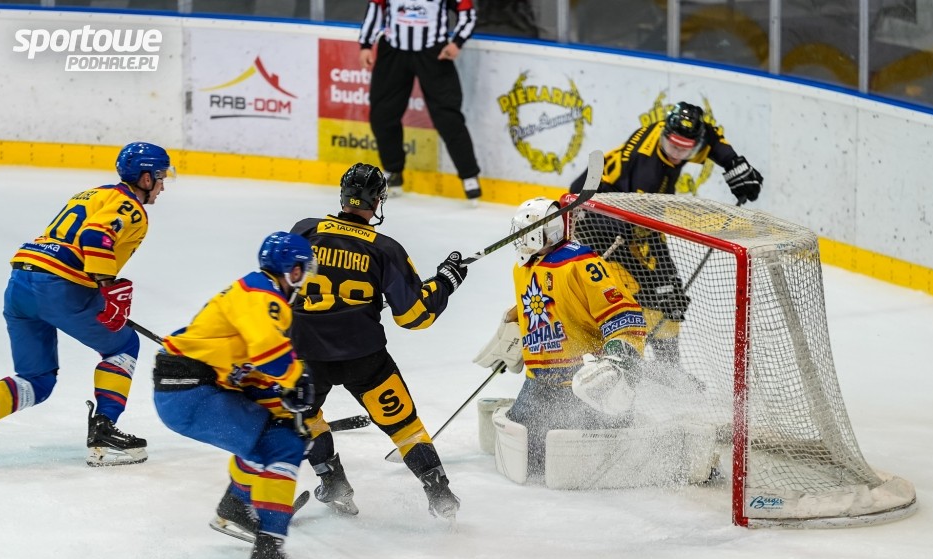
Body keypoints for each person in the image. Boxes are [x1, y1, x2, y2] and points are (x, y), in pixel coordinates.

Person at [289, 162, 466, 521]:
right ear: (378, 201)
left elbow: (281, 287)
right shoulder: (385, 248)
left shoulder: (304, 230)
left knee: (305, 417)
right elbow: (414, 315)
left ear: (343, 195)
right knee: (405, 426)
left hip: (306, 355)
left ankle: (332, 481)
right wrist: (445, 283)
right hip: (365, 359)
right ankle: (440, 493)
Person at [152, 231, 319, 559]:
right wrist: (296, 377)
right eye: (303, 271)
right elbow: (267, 350)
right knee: (282, 446)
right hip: (191, 393)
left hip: (190, 390)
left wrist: (283, 408)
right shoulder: (265, 295)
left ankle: (236, 506)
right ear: (291, 270)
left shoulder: (255, 292)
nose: (304, 279)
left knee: (274, 435)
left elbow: (252, 374)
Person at [0, 142, 172, 466]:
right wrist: (108, 288)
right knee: (123, 346)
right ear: (146, 178)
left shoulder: (93, 194)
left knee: (36, 380)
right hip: (58, 287)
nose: (162, 186)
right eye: (160, 178)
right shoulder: (131, 207)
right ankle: (104, 428)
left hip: (20, 284)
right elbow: (95, 237)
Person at [569, 102, 763, 365]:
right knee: (636, 292)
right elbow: (636, 232)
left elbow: (710, 135)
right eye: (673, 147)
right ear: (664, 136)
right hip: (595, 217)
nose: (677, 155)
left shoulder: (672, 134)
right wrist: (657, 284)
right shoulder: (646, 172)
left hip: (630, 216)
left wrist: (734, 164)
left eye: (685, 149)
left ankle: (669, 368)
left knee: (671, 296)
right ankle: (616, 363)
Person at [473, 197, 648, 476]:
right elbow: (541, 304)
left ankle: (623, 426)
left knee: (582, 463)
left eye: (523, 231)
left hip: (582, 384)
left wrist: (619, 354)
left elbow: (622, 313)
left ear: (538, 233)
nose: (518, 238)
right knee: (531, 459)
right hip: (539, 381)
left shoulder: (582, 263)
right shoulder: (522, 268)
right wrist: (515, 329)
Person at [358, 0, 483, 200]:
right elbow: (375, 8)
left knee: (448, 117)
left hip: (434, 54)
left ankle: (469, 175)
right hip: (394, 52)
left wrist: (457, 42)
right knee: (382, 114)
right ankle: (393, 170)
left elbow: (467, 12)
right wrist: (365, 44)